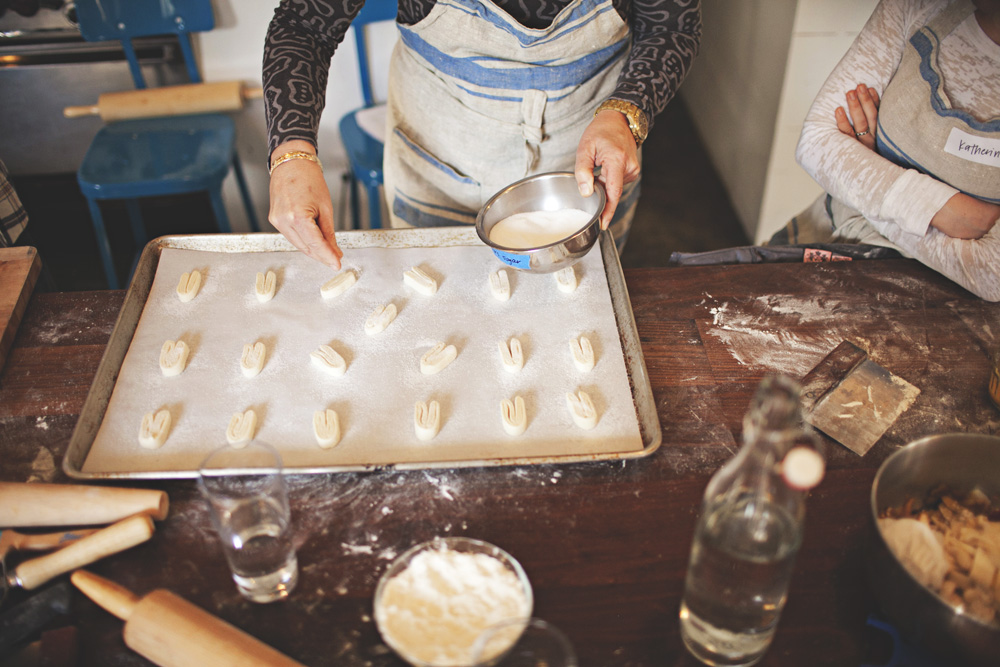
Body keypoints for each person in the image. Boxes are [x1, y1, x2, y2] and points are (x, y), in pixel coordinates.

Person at [262, 0, 702, 270]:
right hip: (439, 157)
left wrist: (625, 113)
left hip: (584, 161)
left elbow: (671, 26)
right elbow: (304, 25)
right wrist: (292, 151)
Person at [773, 0, 1000, 301]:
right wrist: (950, 214)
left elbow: (991, 274)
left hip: (941, 305)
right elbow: (815, 144)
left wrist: (866, 181)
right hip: (831, 232)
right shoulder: (920, 5)